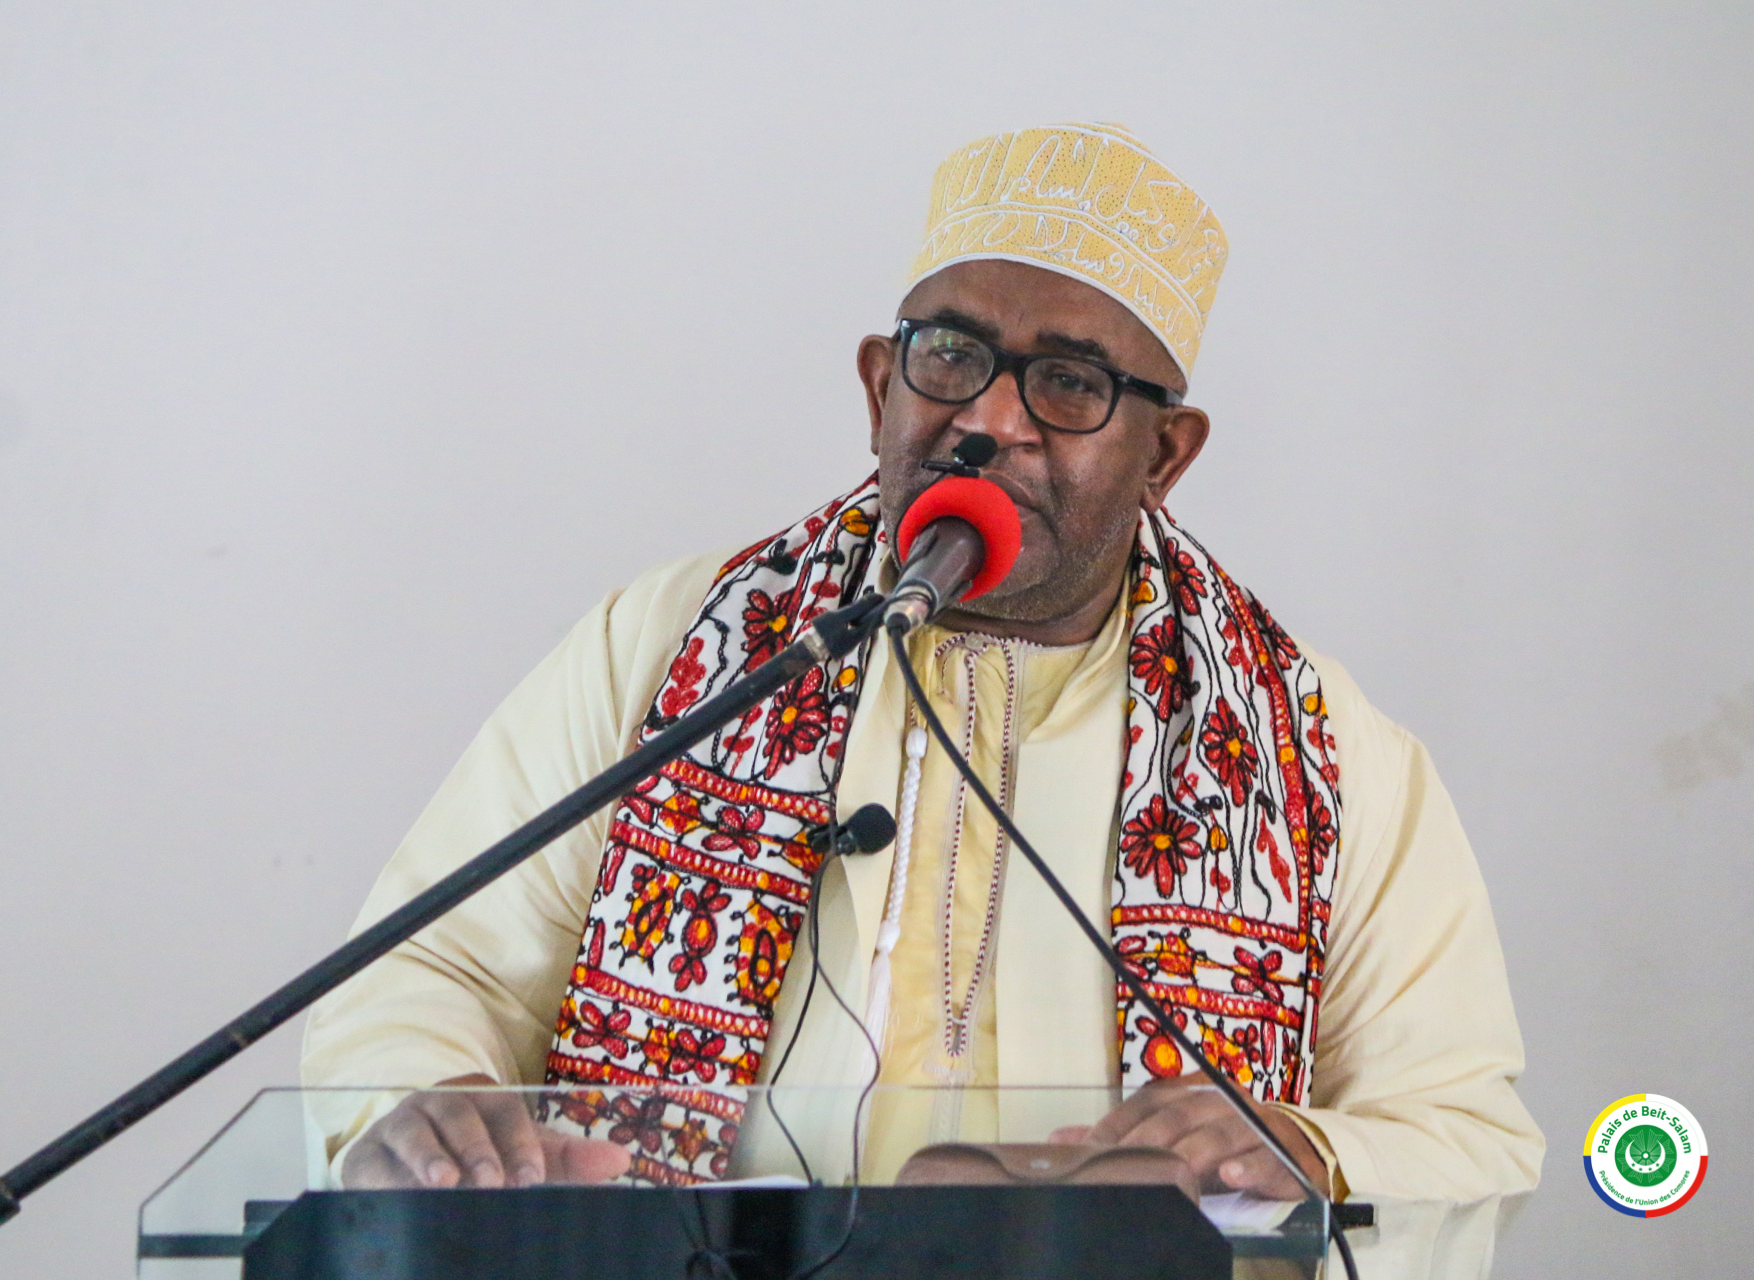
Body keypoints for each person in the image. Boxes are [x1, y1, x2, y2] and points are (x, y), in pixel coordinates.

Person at [303, 123, 1543, 1248]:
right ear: (877, 386)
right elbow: (428, 974)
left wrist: (1309, 1147)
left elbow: (1466, 1132)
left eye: (1070, 381)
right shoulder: (674, 648)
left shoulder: (1326, 753)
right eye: (950, 355)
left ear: (1167, 453)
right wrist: (435, 1109)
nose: (990, 419)